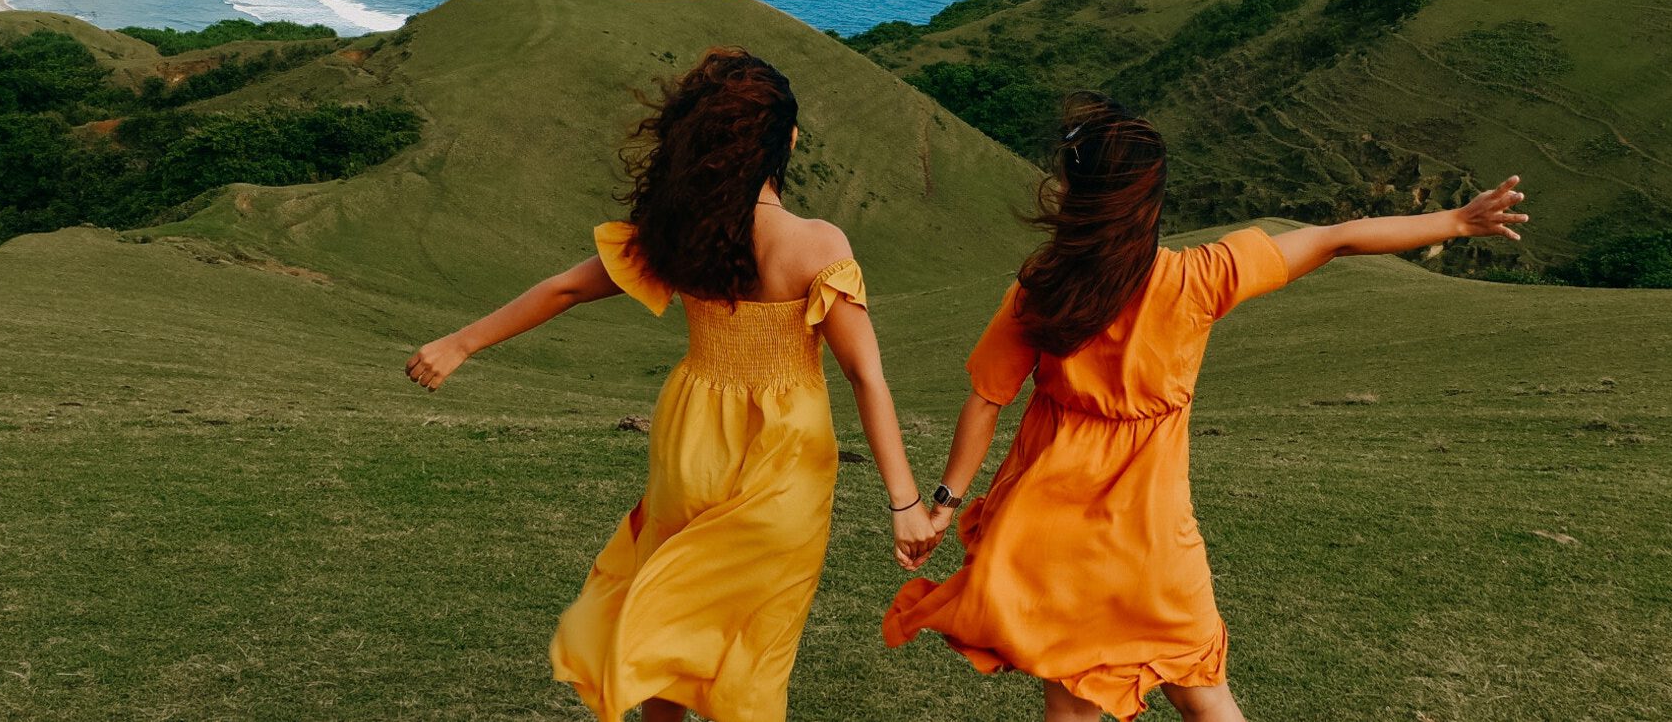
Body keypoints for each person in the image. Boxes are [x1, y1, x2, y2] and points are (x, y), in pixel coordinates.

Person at [883, 92, 1529, 720]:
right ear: (1148, 207)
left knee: (1071, 704)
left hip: (1058, 546)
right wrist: (1456, 221)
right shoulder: (1197, 279)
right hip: (1154, 547)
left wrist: (945, 501)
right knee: (1204, 694)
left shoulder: (1042, 289)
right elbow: (1334, 238)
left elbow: (985, 401)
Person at [406, 48, 941, 722]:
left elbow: (566, 287)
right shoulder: (817, 244)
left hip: (690, 439)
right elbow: (866, 373)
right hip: (783, 460)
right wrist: (904, 501)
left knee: (672, 608)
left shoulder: (680, 235)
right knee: (756, 642)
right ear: (786, 140)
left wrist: (459, 343)